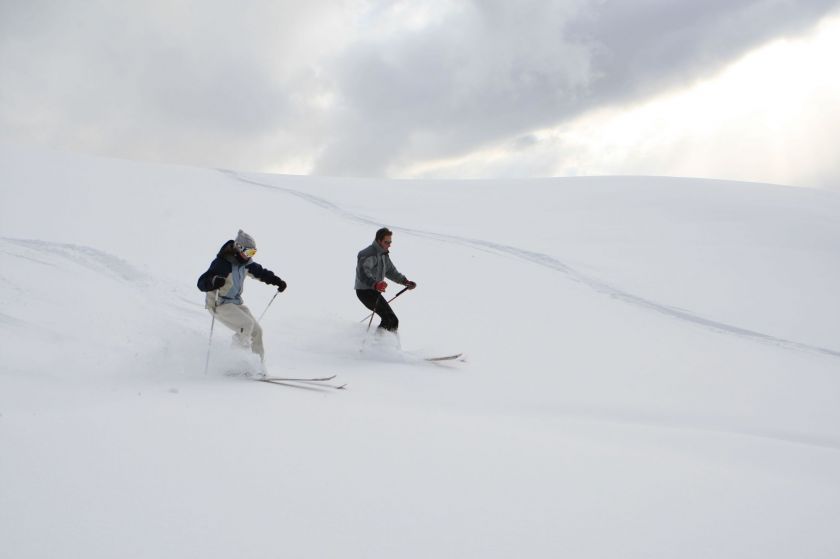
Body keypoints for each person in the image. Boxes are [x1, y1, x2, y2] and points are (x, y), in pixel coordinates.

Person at [197, 229, 287, 364]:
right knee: (246, 325)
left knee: (257, 331)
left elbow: (261, 273)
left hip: (235, 303)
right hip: (219, 304)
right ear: (239, 248)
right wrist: (214, 281)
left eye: (253, 253)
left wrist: (277, 281)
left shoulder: (246, 264)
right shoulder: (222, 263)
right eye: (248, 252)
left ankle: (258, 367)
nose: (250, 256)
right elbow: (201, 283)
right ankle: (235, 363)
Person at [355, 227, 416, 332]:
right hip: (365, 291)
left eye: (390, 242)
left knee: (393, 321)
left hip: (374, 291)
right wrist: (375, 284)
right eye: (386, 242)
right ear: (379, 240)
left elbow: (391, 271)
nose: (389, 245)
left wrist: (405, 281)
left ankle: (388, 346)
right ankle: (376, 345)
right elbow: (363, 273)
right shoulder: (368, 254)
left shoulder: (383, 254)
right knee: (388, 319)